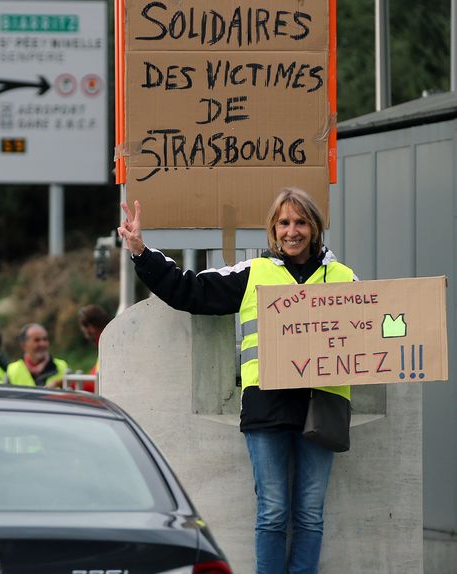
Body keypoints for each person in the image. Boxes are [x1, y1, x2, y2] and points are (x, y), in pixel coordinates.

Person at [118, 188, 355, 574]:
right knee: (273, 513)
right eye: (283, 223)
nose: (291, 231)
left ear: (314, 228)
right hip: (267, 408)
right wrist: (141, 252)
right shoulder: (253, 272)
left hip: (323, 406)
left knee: (311, 515)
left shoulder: (345, 277)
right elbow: (190, 290)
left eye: (300, 222)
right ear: (272, 229)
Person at [4, 323, 69, 388]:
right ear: (24, 345)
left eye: (45, 339)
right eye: (37, 340)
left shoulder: (62, 367)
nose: (42, 344)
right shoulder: (12, 370)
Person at [77, 304, 111, 392]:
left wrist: (64, 383)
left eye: (85, 325)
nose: (84, 330)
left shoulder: (108, 346)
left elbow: (95, 383)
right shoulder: (104, 345)